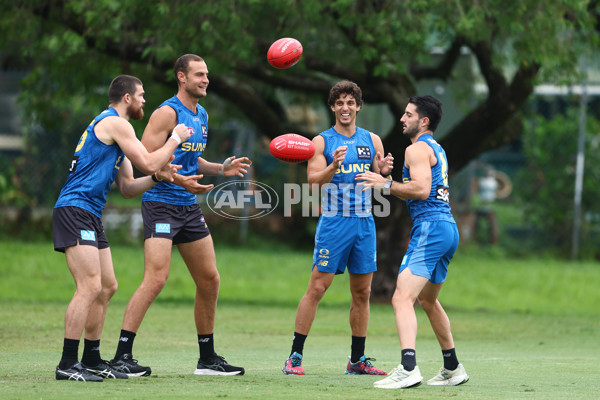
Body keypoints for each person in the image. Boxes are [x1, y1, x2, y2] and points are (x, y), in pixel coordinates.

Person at [110, 54, 251, 377]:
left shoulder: (201, 114)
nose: (206, 80)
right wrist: (175, 179)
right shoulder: (166, 113)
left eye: (207, 75)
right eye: (199, 75)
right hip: (161, 203)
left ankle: (207, 359)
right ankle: (121, 356)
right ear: (181, 77)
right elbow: (147, 160)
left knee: (210, 279)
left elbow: (191, 158)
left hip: (188, 207)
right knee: (156, 279)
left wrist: (219, 168)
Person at [53, 74, 191, 382]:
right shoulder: (116, 123)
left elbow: (128, 186)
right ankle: (66, 364)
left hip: (89, 213)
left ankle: (90, 359)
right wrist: (175, 138)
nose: (145, 100)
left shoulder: (118, 134)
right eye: (141, 95)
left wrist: (158, 178)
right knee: (89, 286)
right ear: (126, 98)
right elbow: (147, 160)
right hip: (75, 208)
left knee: (107, 287)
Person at [356, 95, 469, 389]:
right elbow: (420, 187)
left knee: (400, 298)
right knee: (428, 300)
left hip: (431, 227)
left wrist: (385, 184)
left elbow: (421, 190)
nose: (402, 119)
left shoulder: (416, 149)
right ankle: (452, 367)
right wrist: (390, 178)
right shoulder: (435, 148)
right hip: (446, 228)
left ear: (424, 121)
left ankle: (408, 368)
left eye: (408, 114)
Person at [282, 80, 393, 376]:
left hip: (365, 222)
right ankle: (294, 357)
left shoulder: (373, 140)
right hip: (334, 221)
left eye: (350, 102)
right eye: (340, 103)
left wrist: (382, 172)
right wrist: (332, 167)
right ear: (332, 107)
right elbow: (312, 181)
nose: (346, 108)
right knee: (317, 287)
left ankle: (357, 360)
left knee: (362, 293)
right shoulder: (321, 142)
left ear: (359, 106)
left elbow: (377, 177)